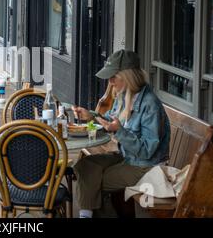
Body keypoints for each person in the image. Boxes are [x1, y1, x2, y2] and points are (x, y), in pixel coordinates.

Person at [71, 50, 171, 218]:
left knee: (94, 182)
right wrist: (92, 116)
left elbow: (147, 150)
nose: (110, 82)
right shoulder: (123, 94)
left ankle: (86, 215)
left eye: (113, 77)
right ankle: (86, 214)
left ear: (128, 76)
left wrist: (119, 131)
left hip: (145, 166)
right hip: (127, 156)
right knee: (84, 166)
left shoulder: (150, 105)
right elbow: (111, 118)